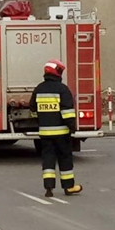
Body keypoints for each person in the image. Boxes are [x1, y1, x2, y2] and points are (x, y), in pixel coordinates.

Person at [29, 59, 82, 197]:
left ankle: (48, 188)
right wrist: (72, 127)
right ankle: (69, 187)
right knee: (65, 158)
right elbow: (67, 112)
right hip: (61, 132)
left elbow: (33, 110)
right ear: (57, 73)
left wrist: (42, 120)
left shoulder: (39, 89)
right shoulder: (62, 89)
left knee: (48, 158)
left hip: (45, 133)